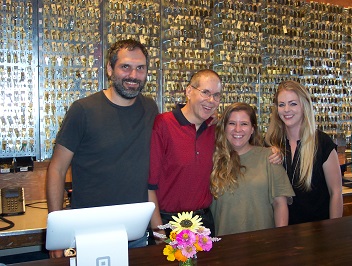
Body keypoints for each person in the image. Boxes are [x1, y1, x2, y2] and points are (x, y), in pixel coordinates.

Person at [46, 39, 159, 257]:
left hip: (135, 232)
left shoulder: (150, 108)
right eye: (125, 67)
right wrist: (57, 233)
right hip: (89, 235)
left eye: (140, 68)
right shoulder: (83, 110)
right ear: (109, 69)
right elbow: (57, 169)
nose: (133, 76)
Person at [148, 69, 222, 238]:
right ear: (189, 91)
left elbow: (243, 139)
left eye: (216, 95)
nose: (211, 100)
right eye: (205, 92)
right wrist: (158, 231)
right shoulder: (163, 124)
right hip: (169, 222)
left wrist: (273, 151)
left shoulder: (214, 128)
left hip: (203, 223)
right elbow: (149, 186)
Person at [210, 102, 295, 236]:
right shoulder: (212, 160)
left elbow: (280, 204)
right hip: (224, 246)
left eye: (244, 124)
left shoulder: (269, 157)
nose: (238, 129)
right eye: (232, 123)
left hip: (263, 244)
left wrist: (280, 238)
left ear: (252, 129)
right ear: (224, 128)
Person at [265, 80, 343, 225]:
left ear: (304, 106)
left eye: (293, 103)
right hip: (281, 233)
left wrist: (335, 232)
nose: (287, 109)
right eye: (282, 105)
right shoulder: (272, 144)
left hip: (318, 234)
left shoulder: (322, 143)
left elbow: (336, 193)